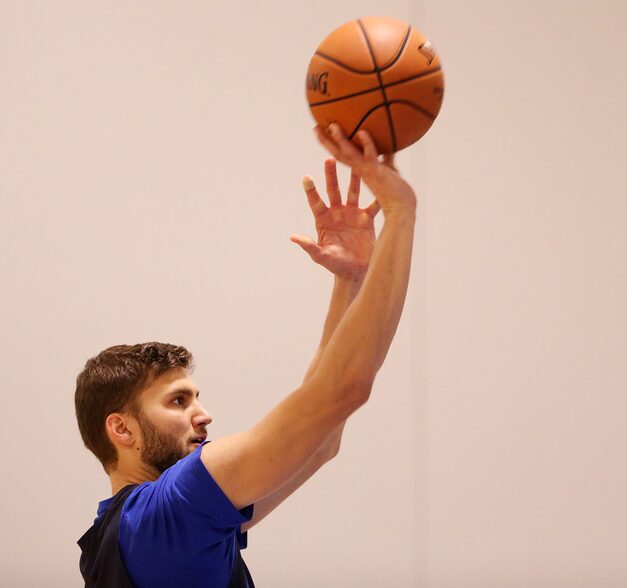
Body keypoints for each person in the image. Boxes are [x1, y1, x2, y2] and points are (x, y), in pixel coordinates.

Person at [75, 125, 417, 587]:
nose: (204, 414)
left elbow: (320, 445)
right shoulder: (166, 516)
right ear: (121, 428)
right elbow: (345, 390)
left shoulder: (142, 533)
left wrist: (350, 280)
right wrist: (400, 212)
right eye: (178, 401)